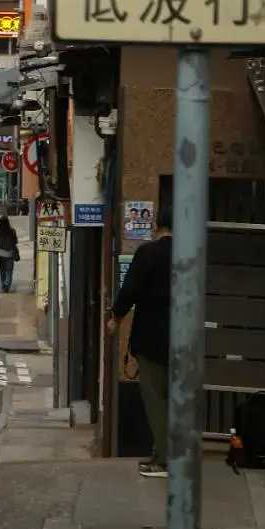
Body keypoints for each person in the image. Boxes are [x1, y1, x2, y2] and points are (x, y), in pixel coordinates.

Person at [106, 205, 173, 479]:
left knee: (155, 399)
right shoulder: (190, 254)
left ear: (157, 225)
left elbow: (130, 289)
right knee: (175, 400)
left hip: (152, 339)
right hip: (185, 340)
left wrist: (116, 318)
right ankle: (169, 454)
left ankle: (164, 460)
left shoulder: (149, 253)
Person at [0, 216, 19, 293]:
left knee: (2, 271)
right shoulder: (12, 231)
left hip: (1, 253)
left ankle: (3, 285)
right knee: (9, 271)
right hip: (10, 253)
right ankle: (7, 285)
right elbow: (15, 241)